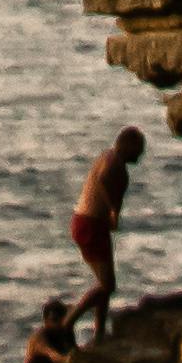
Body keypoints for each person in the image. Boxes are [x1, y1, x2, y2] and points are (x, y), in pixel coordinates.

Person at [67, 124, 144, 337]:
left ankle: (99, 332)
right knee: (107, 285)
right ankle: (70, 319)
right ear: (128, 146)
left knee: (106, 283)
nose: (141, 154)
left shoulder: (110, 158)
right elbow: (101, 180)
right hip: (90, 223)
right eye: (139, 148)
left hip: (89, 223)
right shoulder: (113, 161)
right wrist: (111, 209)